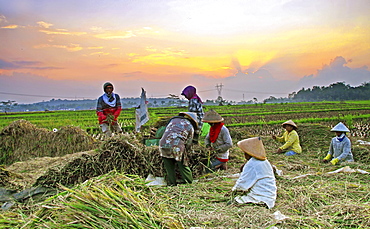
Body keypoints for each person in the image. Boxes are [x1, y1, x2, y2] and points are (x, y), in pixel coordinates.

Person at [228, 137, 277, 209]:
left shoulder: (252, 164)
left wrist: (233, 191)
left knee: (231, 203)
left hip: (260, 199)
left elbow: (242, 184)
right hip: (270, 198)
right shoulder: (265, 162)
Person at [159, 112, 199, 186]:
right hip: (176, 146)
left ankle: (172, 184)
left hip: (163, 144)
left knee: (169, 167)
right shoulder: (190, 126)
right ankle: (189, 182)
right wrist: (187, 151)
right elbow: (189, 142)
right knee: (183, 164)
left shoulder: (172, 122)